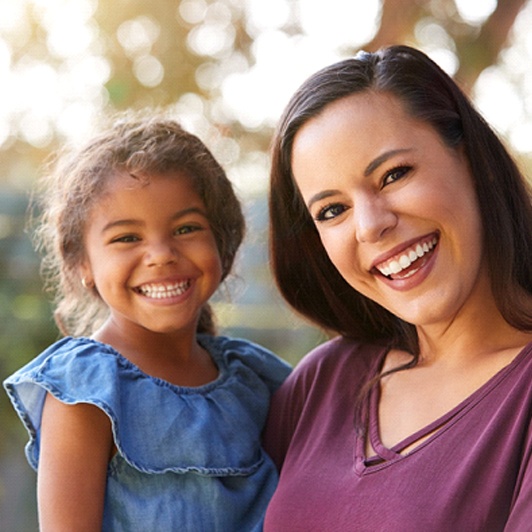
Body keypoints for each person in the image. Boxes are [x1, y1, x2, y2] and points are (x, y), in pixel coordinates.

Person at [263, 45, 532, 531]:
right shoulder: (322, 382)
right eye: (331, 210)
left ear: (474, 161)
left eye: (394, 174)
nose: (370, 226)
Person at [4, 114, 291, 531]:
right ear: (83, 263)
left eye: (186, 228)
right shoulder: (85, 392)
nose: (161, 254)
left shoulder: (255, 377)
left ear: (222, 246)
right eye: (126, 238)